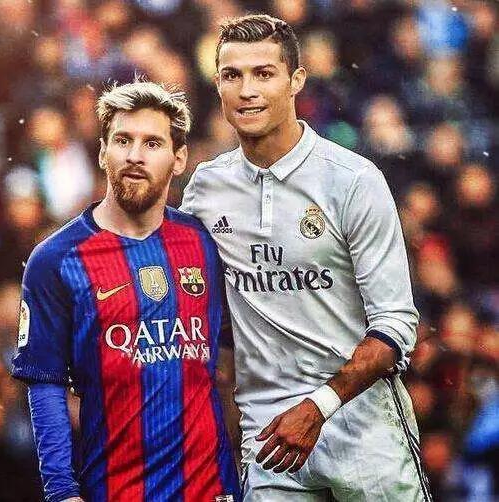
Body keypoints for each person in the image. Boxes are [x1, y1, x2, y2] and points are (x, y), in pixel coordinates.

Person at [180, 14, 432, 501]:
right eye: (232, 75)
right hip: (268, 437)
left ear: (296, 80)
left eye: (264, 73)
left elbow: (397, 325)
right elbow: (202, 319)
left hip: (364, 429)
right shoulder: (205, 190)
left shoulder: (352, 180)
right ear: (218, 85)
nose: (247, 90)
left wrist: (318, 406)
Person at [11, 81, 240, 502]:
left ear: (179, 158)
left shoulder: (205, 243)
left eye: (152, 143)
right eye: (122, 140)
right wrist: (61, 491)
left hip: (213, 489)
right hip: (116, 490)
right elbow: (45, 384)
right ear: (102, 152)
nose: (135, 155)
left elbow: (230, 356)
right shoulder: (55, 260)